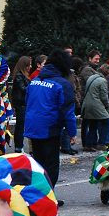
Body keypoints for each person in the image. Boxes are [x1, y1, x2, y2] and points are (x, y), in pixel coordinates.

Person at [24, 49, 77, 193]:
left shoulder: (34, 81)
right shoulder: (62, 84)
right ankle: (47, 195)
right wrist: (72, 133)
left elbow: (28, 102)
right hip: (49, 128)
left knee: (38, 163)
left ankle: (36, 193)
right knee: (51, 164)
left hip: (33, 127)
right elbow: (68, 111)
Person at [81, 63, 109, 150]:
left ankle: (89, 144)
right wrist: (107, 105)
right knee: (107, 122)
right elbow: (103, 96)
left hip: (87, 104)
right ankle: (101, 143)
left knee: (93, 124)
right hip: (96, 105)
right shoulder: (102, 81)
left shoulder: (92, 77)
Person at [10, 55, 31, 152]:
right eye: (29, 65)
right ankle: (18, 146)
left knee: (21, 126)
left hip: (21, 103)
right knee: (20, 126)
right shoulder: (19, 76)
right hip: (21, 104)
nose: (30, 67)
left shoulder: (21, 76)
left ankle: (19, 146)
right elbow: (24, 89)